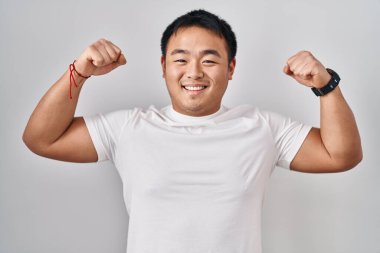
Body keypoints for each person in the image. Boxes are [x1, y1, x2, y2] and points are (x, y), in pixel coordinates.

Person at [22, 9, 362, 253]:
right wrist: (79, 72)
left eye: (210, 60)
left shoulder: (262, 128)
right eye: (181, 59)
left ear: (231, 69)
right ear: (164, 67)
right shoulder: (129, 127)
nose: (194, 72)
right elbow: (42, 138)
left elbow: (341, 155)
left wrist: (326, 85)